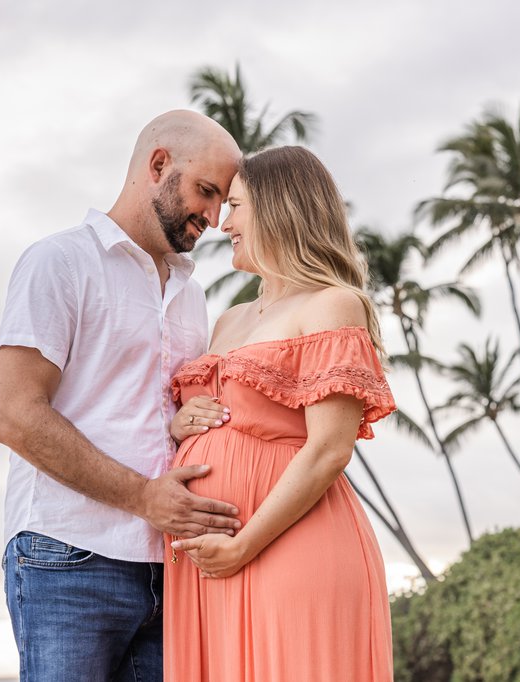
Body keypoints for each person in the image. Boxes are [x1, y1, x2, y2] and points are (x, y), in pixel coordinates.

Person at [0, 109, 243, 682]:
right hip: (67, 556)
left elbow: (157, 412)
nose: (213, 215)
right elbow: (14, 415)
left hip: (172, 568)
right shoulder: (59, 262)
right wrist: (144, 498)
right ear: (158, 166)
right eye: (206, 191)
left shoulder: (191, 295)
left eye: (223, 202)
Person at [165, 146, 396, 681]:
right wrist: (182, 423)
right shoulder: (228, 321)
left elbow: (329, 448)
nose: (224, 224)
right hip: (212, 562)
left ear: (279, 209)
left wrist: (243, 545)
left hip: (287, 545)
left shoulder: (333, 303)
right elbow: (221, 418)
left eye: (237, 206)